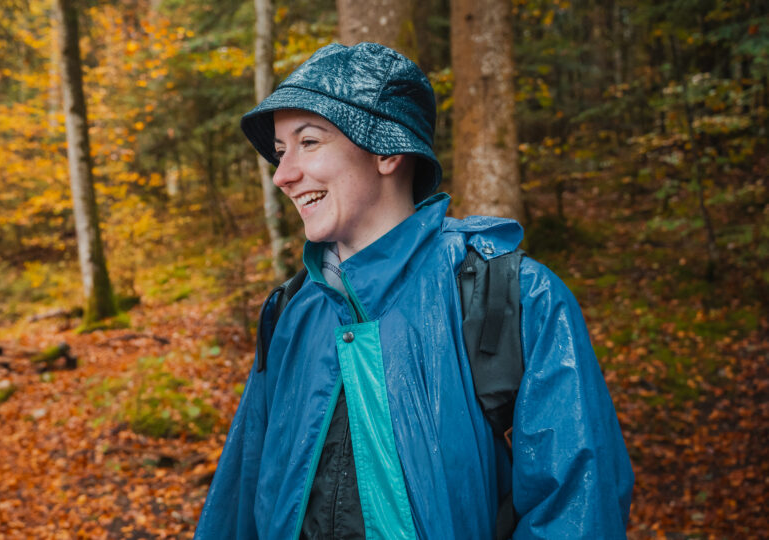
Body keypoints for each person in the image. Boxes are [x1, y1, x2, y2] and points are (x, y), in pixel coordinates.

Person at [195, 43, 633, 539]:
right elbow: (239, 499)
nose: (283, 175)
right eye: (280, 153)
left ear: (388, 149)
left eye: (309, 142)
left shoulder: (513, 296)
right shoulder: (292, 311)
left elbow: (578, 510)